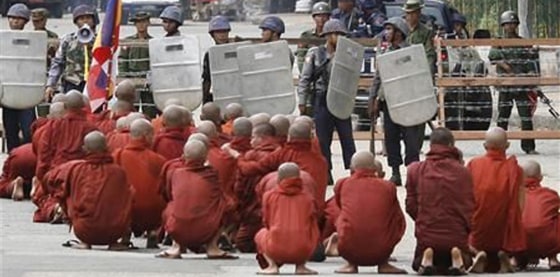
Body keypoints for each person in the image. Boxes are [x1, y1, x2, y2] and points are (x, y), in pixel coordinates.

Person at [406, 128, 475, 275]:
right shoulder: (463, 172)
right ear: (452, 145)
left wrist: (422, 220)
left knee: (416, 264)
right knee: (468, 260)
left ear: (430, 145)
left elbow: (410, 205)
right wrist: (466, 229)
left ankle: (427, 257)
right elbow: (469, 207)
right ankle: (457, 258)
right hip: (456, 235)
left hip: (427, 235)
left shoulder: (415, 169)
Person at [325, 151, 406, 274]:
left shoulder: (343, 184)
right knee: (395, 217)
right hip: (382, 250)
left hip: (350, 250)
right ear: (375, 168)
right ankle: (383, 263)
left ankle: (351, 264)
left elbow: (339, 205)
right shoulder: (388, 186)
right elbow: (398, 218)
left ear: (352, 169)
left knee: (345, 216)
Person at [298, 19, 356, 185]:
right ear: (328, 35)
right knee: (323, 140)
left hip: (341, 100)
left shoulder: (348, 54)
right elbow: (305, 79)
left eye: (341, 34)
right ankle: (326, 171)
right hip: (322, 99)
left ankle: (354, 170)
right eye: (335, 34)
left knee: (347, 138)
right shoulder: (316, 53)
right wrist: (302, 100)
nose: (338, 37)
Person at [158, 140, 237, 259]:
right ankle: (212, 247)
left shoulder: (174, 173)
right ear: (205, 157)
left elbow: (169, 195)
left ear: (183, 156)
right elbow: (223, 198)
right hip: (208, 227)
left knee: (171, 206)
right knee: (227, 205)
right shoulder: (212, 174)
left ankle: (176, 246)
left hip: (177, 227)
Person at [224, 123, 328, 211]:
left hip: (294, 209)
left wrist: (237, 156)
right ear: (311, 138)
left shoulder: (283, 153)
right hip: (317, 210)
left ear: (289, 137)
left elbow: (249, 170)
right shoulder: (321, 161)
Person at [57, 131, 134, 250]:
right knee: (128, 195)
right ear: (107, 147)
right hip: (115, 231)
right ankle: (114, 243)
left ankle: (85, 242)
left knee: (68, 195)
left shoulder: (77, 170)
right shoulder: (119, 172)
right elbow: (128, 198)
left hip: (84, 230)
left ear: (84, 149)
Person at [467, 127, 526, 273]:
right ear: (507, 146)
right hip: (504, 238)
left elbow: (466, 199)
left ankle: (477, 254)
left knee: (461, 242)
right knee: (522, 252)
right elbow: (520, 205)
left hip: (477, 236)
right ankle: (506, 256)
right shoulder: (516, 170)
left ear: (485, 146)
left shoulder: (473, 164)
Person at [369, 17, 420, 186]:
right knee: (391, 139)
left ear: (399, 32)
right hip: (389, 103)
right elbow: (378, 78)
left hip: (407, 103)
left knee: (411, 141)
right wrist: (373, 98)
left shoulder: (411, 53)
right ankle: (395, 172)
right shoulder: (385, 53)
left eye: (390, 29)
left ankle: (412, 174)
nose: (386, 33)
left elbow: (417, 77)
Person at [33, 91, 98, 223]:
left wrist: (43, 179)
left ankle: (56, 208)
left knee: (43, 197)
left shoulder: (53, 126)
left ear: (65, 107)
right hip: (81, 178)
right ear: (83, 107)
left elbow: (44, 155)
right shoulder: (91, 129)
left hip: (56, 175)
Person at [488, 10, 539, 155]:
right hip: (505, 86)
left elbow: (529, 63)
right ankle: (498, 146)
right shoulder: (498, 42)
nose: (510, 26)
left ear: (516, 25)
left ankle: (529, 146)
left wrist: (530, 78)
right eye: (507, 24)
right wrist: (505, 66)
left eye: (513, 24)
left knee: (526, 118)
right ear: (503, 26)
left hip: (521, 86)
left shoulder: (522, 42)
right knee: (503, 117)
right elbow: (492, 56)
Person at [255, 163, 319, 275]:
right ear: (299, 178)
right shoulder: (308, 197)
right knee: (311, 230)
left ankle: (272, 266)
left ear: (278, 178)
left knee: (260, 234)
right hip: (303, 249)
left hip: (275, 248)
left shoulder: (269, 196)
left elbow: (266, 221)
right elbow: (313, 220)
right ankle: (301, 266)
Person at [113, 119, 166, 249]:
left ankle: (125, 233)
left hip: (127, 209)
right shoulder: (158, 160)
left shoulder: (117, 156)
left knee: (119, 195)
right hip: (152, 211)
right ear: (146, 136)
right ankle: (152, 231)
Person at [403, 0, 436, 152]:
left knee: (420, 115)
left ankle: (416, 147)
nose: (411, 16)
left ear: (419, 13)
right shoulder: (400, 29)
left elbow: (429, 55)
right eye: (409, 13)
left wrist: (427, 79)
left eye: (414, 13)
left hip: (418, 77)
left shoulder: (425, 32)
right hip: (402, 78)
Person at [4, 3, 36, 153]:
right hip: (8, 93)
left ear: (25, 21)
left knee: (28, 130)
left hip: (27, 93)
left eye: (19, 18)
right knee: (10, 131)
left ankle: (27, 157)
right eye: (12, 18)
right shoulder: (2, 39)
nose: (15, 21)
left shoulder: (34, 40)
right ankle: (13, 159)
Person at [45, 4, 97, 97]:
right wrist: (51, 84)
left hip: (94, 83)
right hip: (72, 83)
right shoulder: (68, 40)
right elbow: (58, 62)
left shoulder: (100, 40)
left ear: (93, 20)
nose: (85, 21)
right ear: (76, 22)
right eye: (81, 19)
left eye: (88, 18)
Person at [518, 160, 560, 271]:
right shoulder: (551, 195)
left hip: (519, 244)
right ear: (540, 177)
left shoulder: (514, 196)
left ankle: (514, 258)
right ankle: (553, 258)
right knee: (554, 217)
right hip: (547, 243)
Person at [118, 11, 157, 119]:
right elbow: (122, 61)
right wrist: (124, 80)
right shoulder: (129, 41)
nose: (141, 25)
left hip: (147, 81)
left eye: (143, 21)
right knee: (130, 110)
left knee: (149, 111)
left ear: (148, 23)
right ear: (134, 24)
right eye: (138, 22)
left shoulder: (153, 42)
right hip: (132, 79)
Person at [202, 16, 231, 103]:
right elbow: (207, 79)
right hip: (219, 92)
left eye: (224, 31)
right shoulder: (210, 54)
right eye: (218, 32)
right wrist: (204, 99)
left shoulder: (235, 50)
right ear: (212, 34)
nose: (222, 35)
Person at [297, 1, 331, 72]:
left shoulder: (332, 35)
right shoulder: (306, 35)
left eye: (324, 16)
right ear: (314, 18)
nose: (321, 19)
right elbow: (301, 57)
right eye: (318, 16)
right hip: (309, 70)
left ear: (328, 17)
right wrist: (305, 73)